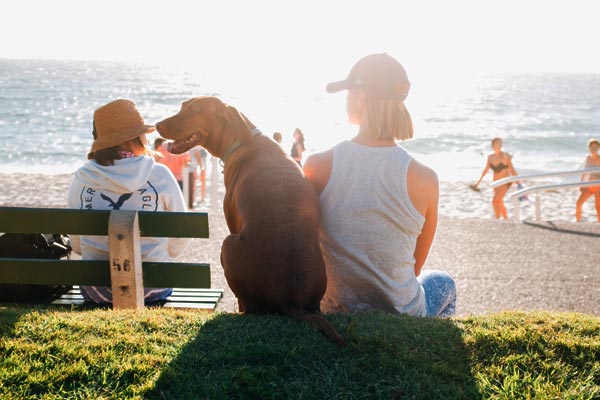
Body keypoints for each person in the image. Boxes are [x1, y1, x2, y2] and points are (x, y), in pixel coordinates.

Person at [303, 53, 456, 318]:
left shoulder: (317, 165)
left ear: (361, 97)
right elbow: (415, 268)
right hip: (402, 313)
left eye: (348, 93)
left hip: (335, 309)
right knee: (445, 283)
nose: (347, 100)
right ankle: (430, 348)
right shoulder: (426, 179)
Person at [67, 99, 189, 304]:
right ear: (136, 137)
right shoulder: (158, 174)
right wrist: (162, 254)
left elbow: (77, 245)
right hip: (153, 285)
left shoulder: (82, 177)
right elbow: (181, 232)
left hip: (96, 288)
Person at [470, 137, 518, 219]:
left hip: (505, 182)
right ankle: (505, 218)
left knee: (494, 201)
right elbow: (485, 171)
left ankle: (497, 219)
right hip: (495, 183)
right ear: (493, 145)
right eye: (497, 144)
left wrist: (517, 181)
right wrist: (477, 183)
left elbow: (511, 169)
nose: (499, 145)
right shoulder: (490, 157)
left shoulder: (505, 156)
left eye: (500, 144)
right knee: (499, 202)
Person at [576, 138, 600, 222]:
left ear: (598, 148)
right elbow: (585, 172)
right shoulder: (588, 158)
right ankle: (577, 223)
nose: (593, 149)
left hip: (598, 187)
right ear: (589, 148)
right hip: (589, 186)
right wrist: (581, 184)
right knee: (578, 203)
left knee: (598, 207)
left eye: (595, 147)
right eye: (592, 147)